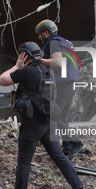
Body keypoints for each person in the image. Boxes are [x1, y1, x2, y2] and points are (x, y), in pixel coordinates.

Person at [0, 42, 88, 189]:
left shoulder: (26, 71)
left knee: (24, 160)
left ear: (24, 56)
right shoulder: (48, 71)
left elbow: (1, 80)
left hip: (33, 125)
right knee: (60, 156)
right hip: (50, 121)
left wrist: (16, 66)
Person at [35, 19, 86, 160]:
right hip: (71, 81)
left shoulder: (53, 42)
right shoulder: (66, 42)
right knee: (62, 116)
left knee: (53, 116)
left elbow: (57, 62)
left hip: (63, 83)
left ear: (46, 32)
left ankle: (77, 142)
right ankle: (68, 146)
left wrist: (37, 60)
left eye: (40, 34)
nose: (39, 38)